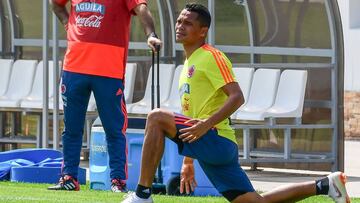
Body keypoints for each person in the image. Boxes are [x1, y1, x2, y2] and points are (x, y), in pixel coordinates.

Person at [121, 3, 350, 203]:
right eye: (179, 21)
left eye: (188, 23)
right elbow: (192, 113)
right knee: (254, 202)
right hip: (210, 143)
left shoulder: (211, 56)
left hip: (216, 138)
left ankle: (142, 194)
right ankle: (325, 185)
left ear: (203, 31)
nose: (180, 25)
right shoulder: (190, 61)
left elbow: (237, 96)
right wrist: (188, 161)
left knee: (156, 117)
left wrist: (205, 125)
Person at [48, 0, 162, 192]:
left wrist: (151, 34)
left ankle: (118, 181)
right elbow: (56, 4)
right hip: (73, 69)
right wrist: (68, 24)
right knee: (71, 129)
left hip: (109, 72)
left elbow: (141, 8)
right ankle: (69, 178)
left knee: (114, 129)